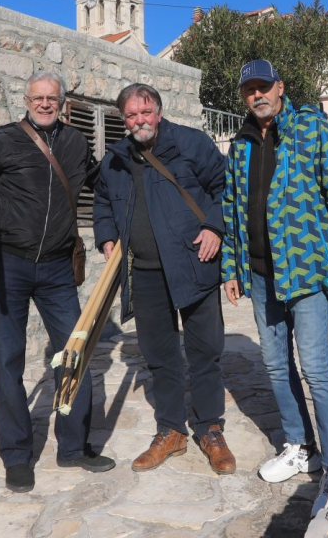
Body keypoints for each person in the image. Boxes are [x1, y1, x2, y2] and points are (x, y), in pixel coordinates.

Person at [221, 59, 328, 514]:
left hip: (307, 271)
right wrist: (232, 268)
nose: (257, 95)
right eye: (249, 90)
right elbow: (231, 212)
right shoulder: (240, 146)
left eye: (264, 87)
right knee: (275, 365)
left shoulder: (311, 129)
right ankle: (299, 445)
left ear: (280, 88)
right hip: (261, 277)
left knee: (316, 367)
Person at [0, 69, 115, 493]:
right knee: (9, 362)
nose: (45, 104)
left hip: (56, 269)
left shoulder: (75, 141)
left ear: (63, 102)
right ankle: (16, 456)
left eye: (52, 98)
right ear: (26, 102)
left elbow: (99, 182)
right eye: (37, 99)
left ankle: (73, 448)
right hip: (8, 265)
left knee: (75, 354)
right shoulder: (3, 139)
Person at [93, 83, 236, 475]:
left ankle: (210, 429)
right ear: (124, 120)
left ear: (159, 111)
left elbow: (227, 188)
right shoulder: (117, 159)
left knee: (205, 351)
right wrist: (106, 236)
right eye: (132, 115)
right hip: (144, 272)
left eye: (146, 112)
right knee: (160, 357)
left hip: (194, 263)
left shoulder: (191, 143)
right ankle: (171, 430)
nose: (140, 121)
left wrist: (214, 227)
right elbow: (103, 200)